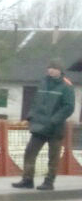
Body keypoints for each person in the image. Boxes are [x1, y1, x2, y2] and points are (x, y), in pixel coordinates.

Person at [12, 60, 76, 191]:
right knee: (29, 152)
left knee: (53, 157)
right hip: (39, 126)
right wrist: (31, 115)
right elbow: (36, 101)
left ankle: (49, 182)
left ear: (60, 70)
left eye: (54, 68)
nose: (51, 70)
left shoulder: (66, 86)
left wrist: (54, 120)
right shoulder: (43, 82)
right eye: (49, 68)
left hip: (55, 128)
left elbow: (68, 107)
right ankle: (27, 179)